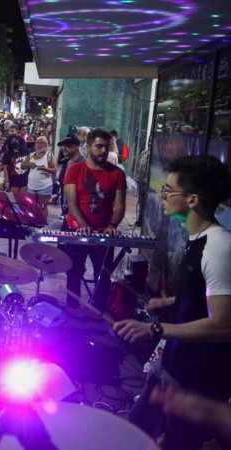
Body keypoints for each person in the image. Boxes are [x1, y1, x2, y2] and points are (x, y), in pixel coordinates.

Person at [114, 155, 231, 449]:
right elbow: (208, 295)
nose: (161, 195)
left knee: (178, 443)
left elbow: (223, 326)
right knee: (137, 428)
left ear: (193, 199)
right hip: (175, 360)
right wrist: (173, 302)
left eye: (168, 190)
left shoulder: (218, 246)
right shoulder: (198, 238)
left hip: (198, 375)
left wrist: (155, 330)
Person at [62, 129, 126, 310]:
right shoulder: (75, 169)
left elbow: (120, 205)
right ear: (88, 147)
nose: (103, 151)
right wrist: (83, 225)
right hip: (76, 230)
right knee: (73, 273)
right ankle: (72, 310)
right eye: (99, 146)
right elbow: (71, 203)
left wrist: (113, 225)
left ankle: (97, 313)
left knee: (103, 276)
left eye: (107, 147)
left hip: (103, 231)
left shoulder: (117, 173)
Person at [21, 136, 57, 221]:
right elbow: (22, 166)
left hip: (44, 185)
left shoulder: (49, 155)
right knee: (31, 205)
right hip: (31, 185)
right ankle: (33, 222)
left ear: (46, 145)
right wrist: (28, 164)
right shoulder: (31, 155)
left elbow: (54, 170)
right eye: (38, 143)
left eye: (42, 143)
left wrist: (45, 169)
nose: (40, 145)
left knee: (43, 205)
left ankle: (42, 224)